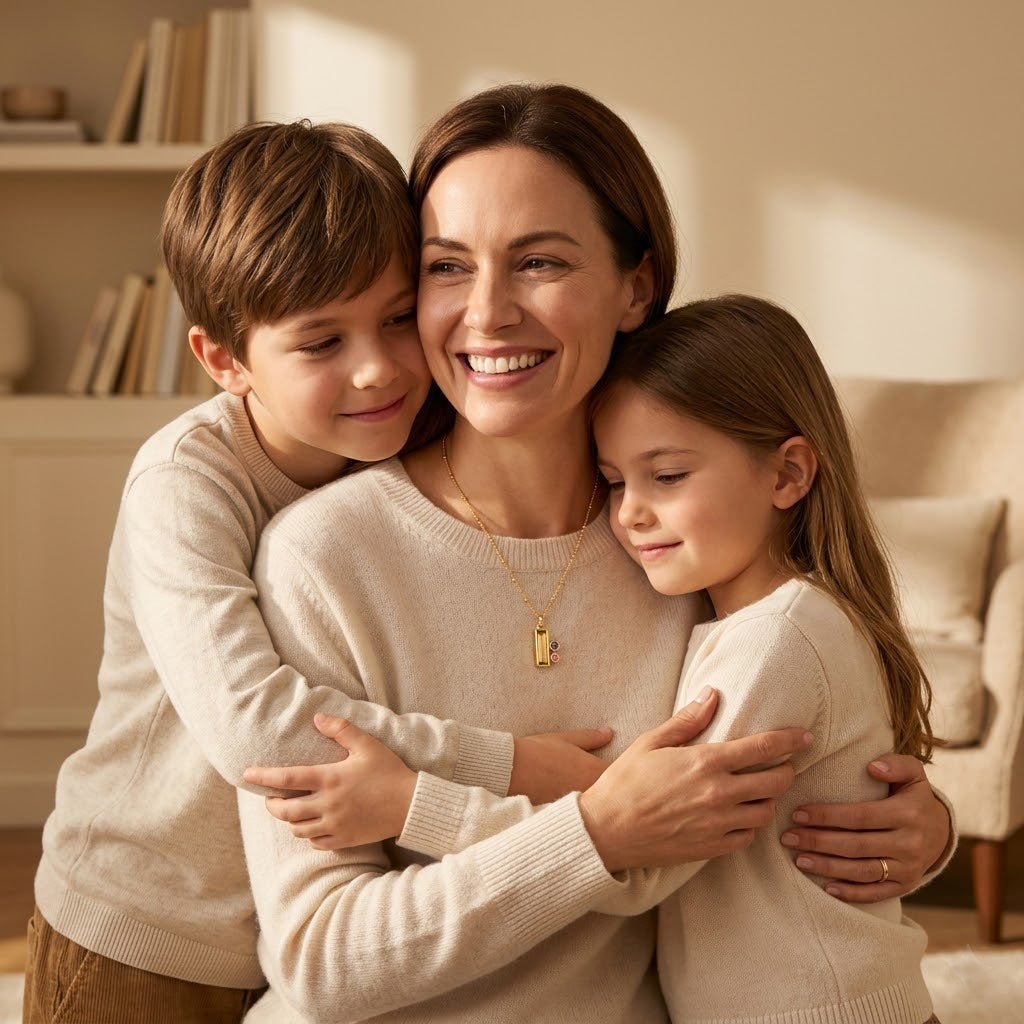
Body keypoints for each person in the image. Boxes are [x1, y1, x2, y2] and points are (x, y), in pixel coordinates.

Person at [237, 84, 955, 1023]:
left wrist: (917, 828)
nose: (487, 313)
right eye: (448, 267)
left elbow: (811, 714)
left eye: (538, 261)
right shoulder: (324, 558)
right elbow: (322, 964)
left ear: (638, 287)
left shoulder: (690, 536)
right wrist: (592, 834)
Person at [24, 120, 532, 1024]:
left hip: (296, 933)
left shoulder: (416, 452)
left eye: (394, 318)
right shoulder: (186, 481)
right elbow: (254, 730)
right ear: (225, 361)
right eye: (319, 343)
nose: (378, 369)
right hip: (140, 926)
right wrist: (515, 764)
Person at [587, 295, 940, 1022]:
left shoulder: (775, 639)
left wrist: (419, 800)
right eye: (616, 481)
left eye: (668, 476)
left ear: (787, 475)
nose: (629, 513)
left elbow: (646, 857)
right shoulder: (753, 621)